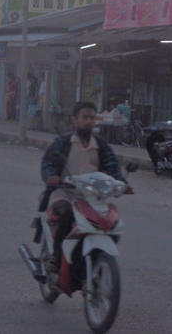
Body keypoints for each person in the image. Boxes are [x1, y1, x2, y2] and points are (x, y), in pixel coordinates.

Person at [40, 101, 130, 272]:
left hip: (92, 197)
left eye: (92, 117)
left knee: (111, 223)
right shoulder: (63, 142)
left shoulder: (101, 146)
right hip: (65, 194)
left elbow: (112, 167)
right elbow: (48, 162)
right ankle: (56, 259)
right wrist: (51, 176)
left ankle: (96, 260)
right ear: (75, 120)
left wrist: (122, 184)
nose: (89, 121)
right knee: (66, 216)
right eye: (85, 117)